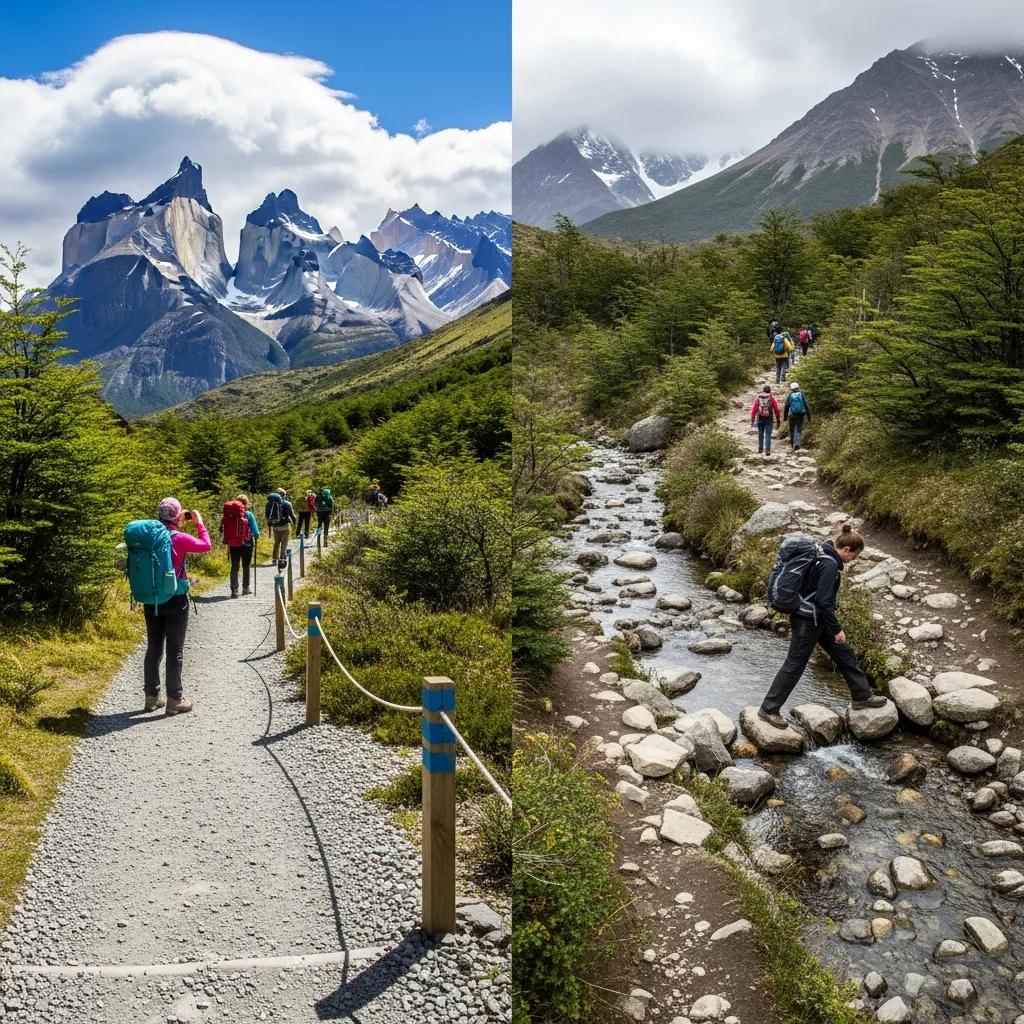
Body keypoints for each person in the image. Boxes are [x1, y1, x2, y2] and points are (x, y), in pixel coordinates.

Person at [757, 524, 887, 728]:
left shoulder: (822, 553)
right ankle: (769, 709)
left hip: (816, 619)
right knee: (795, 664)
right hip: (808, 620)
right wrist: (837, 629)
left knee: (844, 653)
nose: (853, 560)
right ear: (847, 550)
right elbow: (824, 601)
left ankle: (862, 695)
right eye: (854, 556)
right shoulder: (829, 565)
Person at [143, 498, 211, 716]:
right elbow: (206, 545)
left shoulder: (149, 536)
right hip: (175, 599)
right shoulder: (179, 538)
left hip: (151, 599)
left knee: (154, 647)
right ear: (177, 516)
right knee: (175, 650)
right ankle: (175, 700)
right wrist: (199, 522)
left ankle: (152, 698)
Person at [221, 494, 260, 598]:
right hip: (247, 544)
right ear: (246, 504)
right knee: (246, 566)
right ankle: (246, 588)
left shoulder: (229, 514)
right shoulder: (249, 514)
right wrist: (255, 537)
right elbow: (256, 533)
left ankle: (234, 589)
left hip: (233, 543)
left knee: (235, 566)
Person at [266, 487, 296, 567]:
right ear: (284, 495)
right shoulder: (287, 503)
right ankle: (282, 560)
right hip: (285, 526)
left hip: (275, 526)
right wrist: (294, 523)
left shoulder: (270, 503)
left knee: (276, 543)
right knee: (284, 544)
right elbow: (292, 515)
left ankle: (274, 559)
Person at [749, 384, 781, 456]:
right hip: (769, 419)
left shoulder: (758, 398)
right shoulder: (771, 398)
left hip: (760, 418)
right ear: (770, 391)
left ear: (763, 391)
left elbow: (754, 409)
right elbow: (776, 409)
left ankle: (760, 449)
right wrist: (778, 420)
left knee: (760, 434)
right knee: (768, 434)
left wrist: (752, 420)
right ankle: (767, 450)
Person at [783, 382, 811, 450]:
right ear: (798, 388)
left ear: (791, 389)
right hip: (801, 414)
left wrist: (785, 417)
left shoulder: (790, 395)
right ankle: (797, 444)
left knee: (792, 430)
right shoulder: (801, 395)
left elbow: (787, 406)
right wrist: (808, 416)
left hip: (792, 415)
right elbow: (805, 405)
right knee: (798, 429)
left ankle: (793, 445)